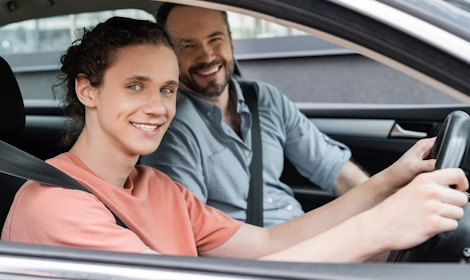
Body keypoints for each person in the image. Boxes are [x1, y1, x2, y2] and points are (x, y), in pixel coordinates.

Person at [2, 16, 469, 262]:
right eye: (134, 85)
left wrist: (388, 182)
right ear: (88, 90)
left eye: (166, 88)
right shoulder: (55, 203)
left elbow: (267, 246)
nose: (157, 106)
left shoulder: (159, 188)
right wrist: (379, 228)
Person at [140, 4, 369, 227]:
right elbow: (190, 233)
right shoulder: (170, 129)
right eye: (188, 45)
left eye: (215, 39)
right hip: (258, 261)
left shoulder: (264, 99)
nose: (207, 56)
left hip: (305, 235)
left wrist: (381, 201)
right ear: (169, 56)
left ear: (230, 41)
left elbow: (333, 169)